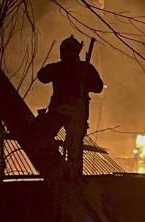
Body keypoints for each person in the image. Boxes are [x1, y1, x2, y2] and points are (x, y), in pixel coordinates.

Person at [37, 35, 103, 177]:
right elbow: (98, 87)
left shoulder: (64, 68)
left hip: (65, 111)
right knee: (73, 148)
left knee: (46, 138)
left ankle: (65, 170)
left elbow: (41, 76)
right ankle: (66, 169)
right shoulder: (82, 67)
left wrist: (85, 83)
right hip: (73, 112)